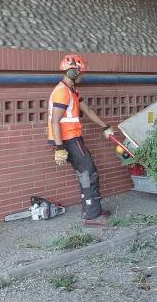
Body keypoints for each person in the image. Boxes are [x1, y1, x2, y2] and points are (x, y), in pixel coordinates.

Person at [47, 54, 114, 226]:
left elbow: (89, 111)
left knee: (87, 173)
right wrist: (59, 147)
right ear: (72, 72)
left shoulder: (72, 92)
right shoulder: (62, 92)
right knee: (88, 174)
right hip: (68, 140)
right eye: (80, 72)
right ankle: (92, 216)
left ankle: (91, 210)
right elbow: (55, 120)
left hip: (73, 139)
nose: (82, 75)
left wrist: (105, 127)